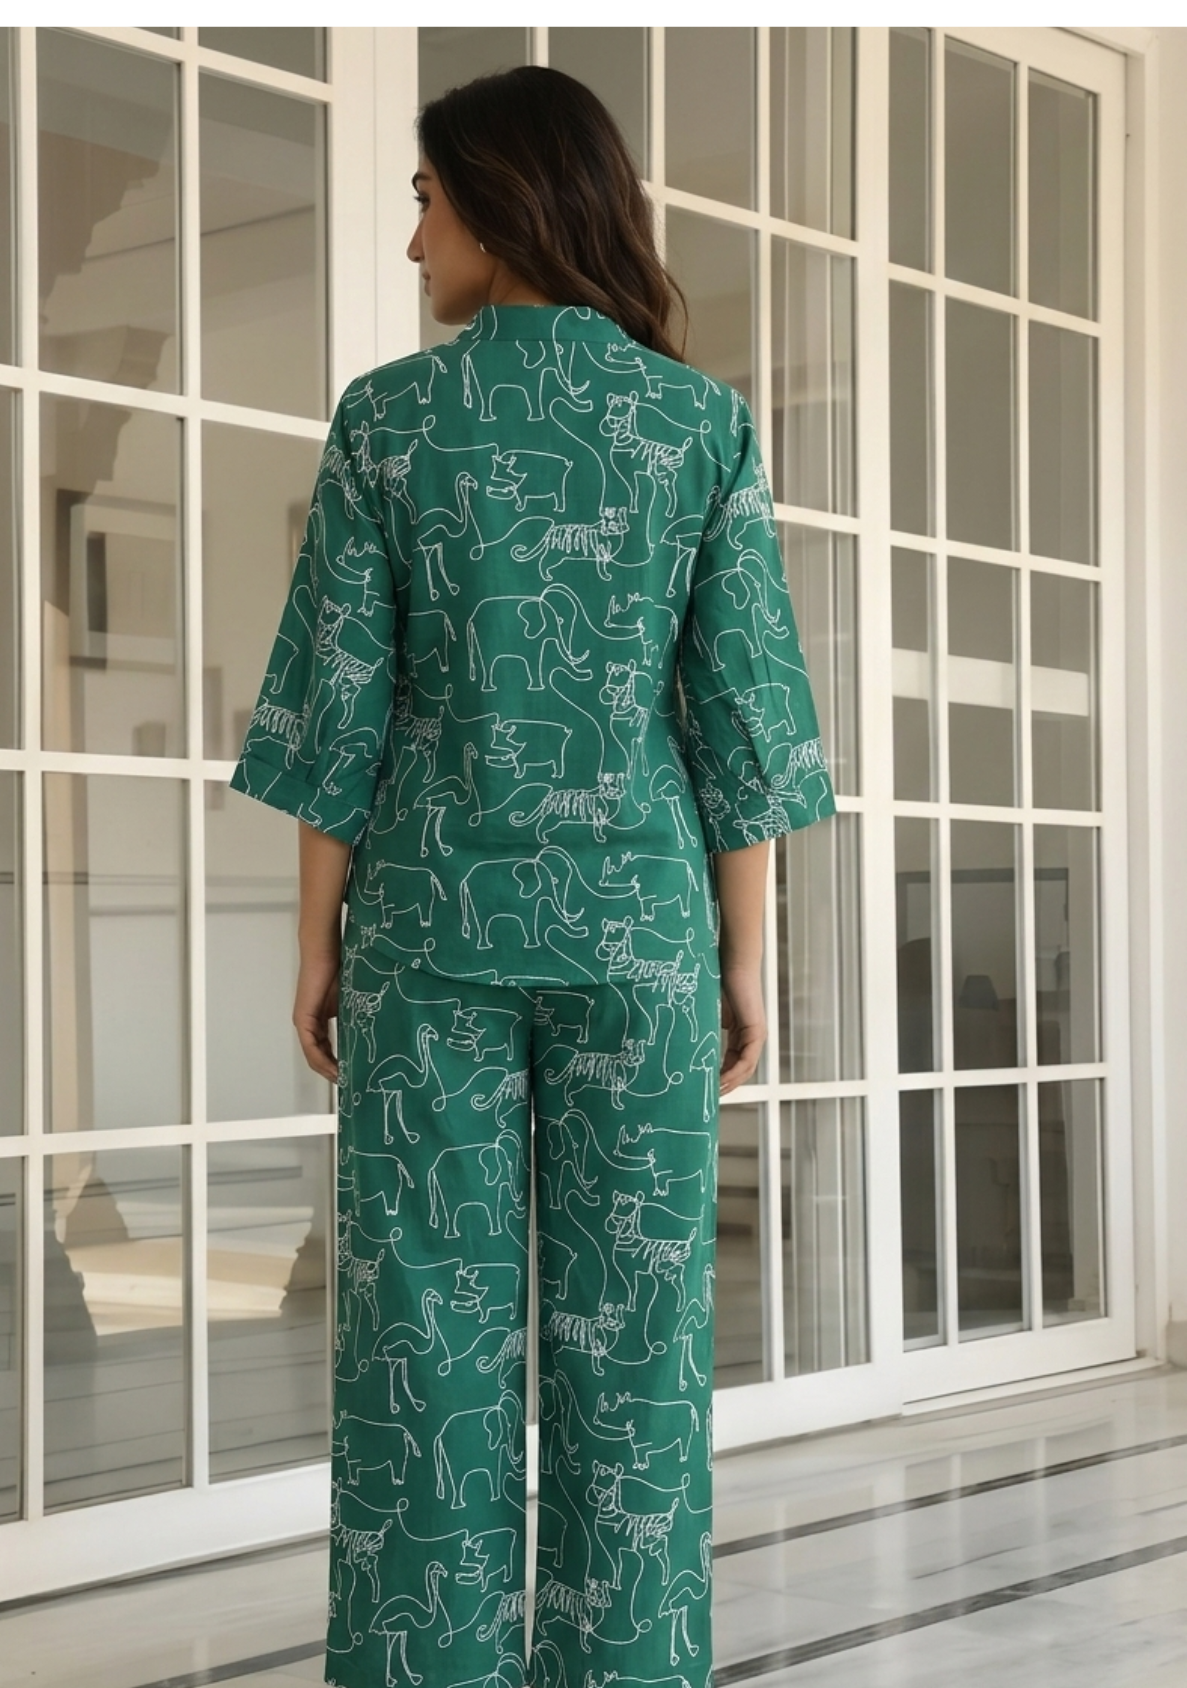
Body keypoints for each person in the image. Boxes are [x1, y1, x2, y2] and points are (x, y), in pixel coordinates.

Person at [231, 64, 835, 1688]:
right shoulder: (699, 425)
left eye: (425, 200)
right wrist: (743, 955)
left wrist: (315, 942)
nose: (411, 238)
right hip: (641, 933)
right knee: (639, 1352)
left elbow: (338, 708)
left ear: (499, 204)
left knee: (420, 1337)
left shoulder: (387, 420)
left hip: (429, 927)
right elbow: (740, 719)